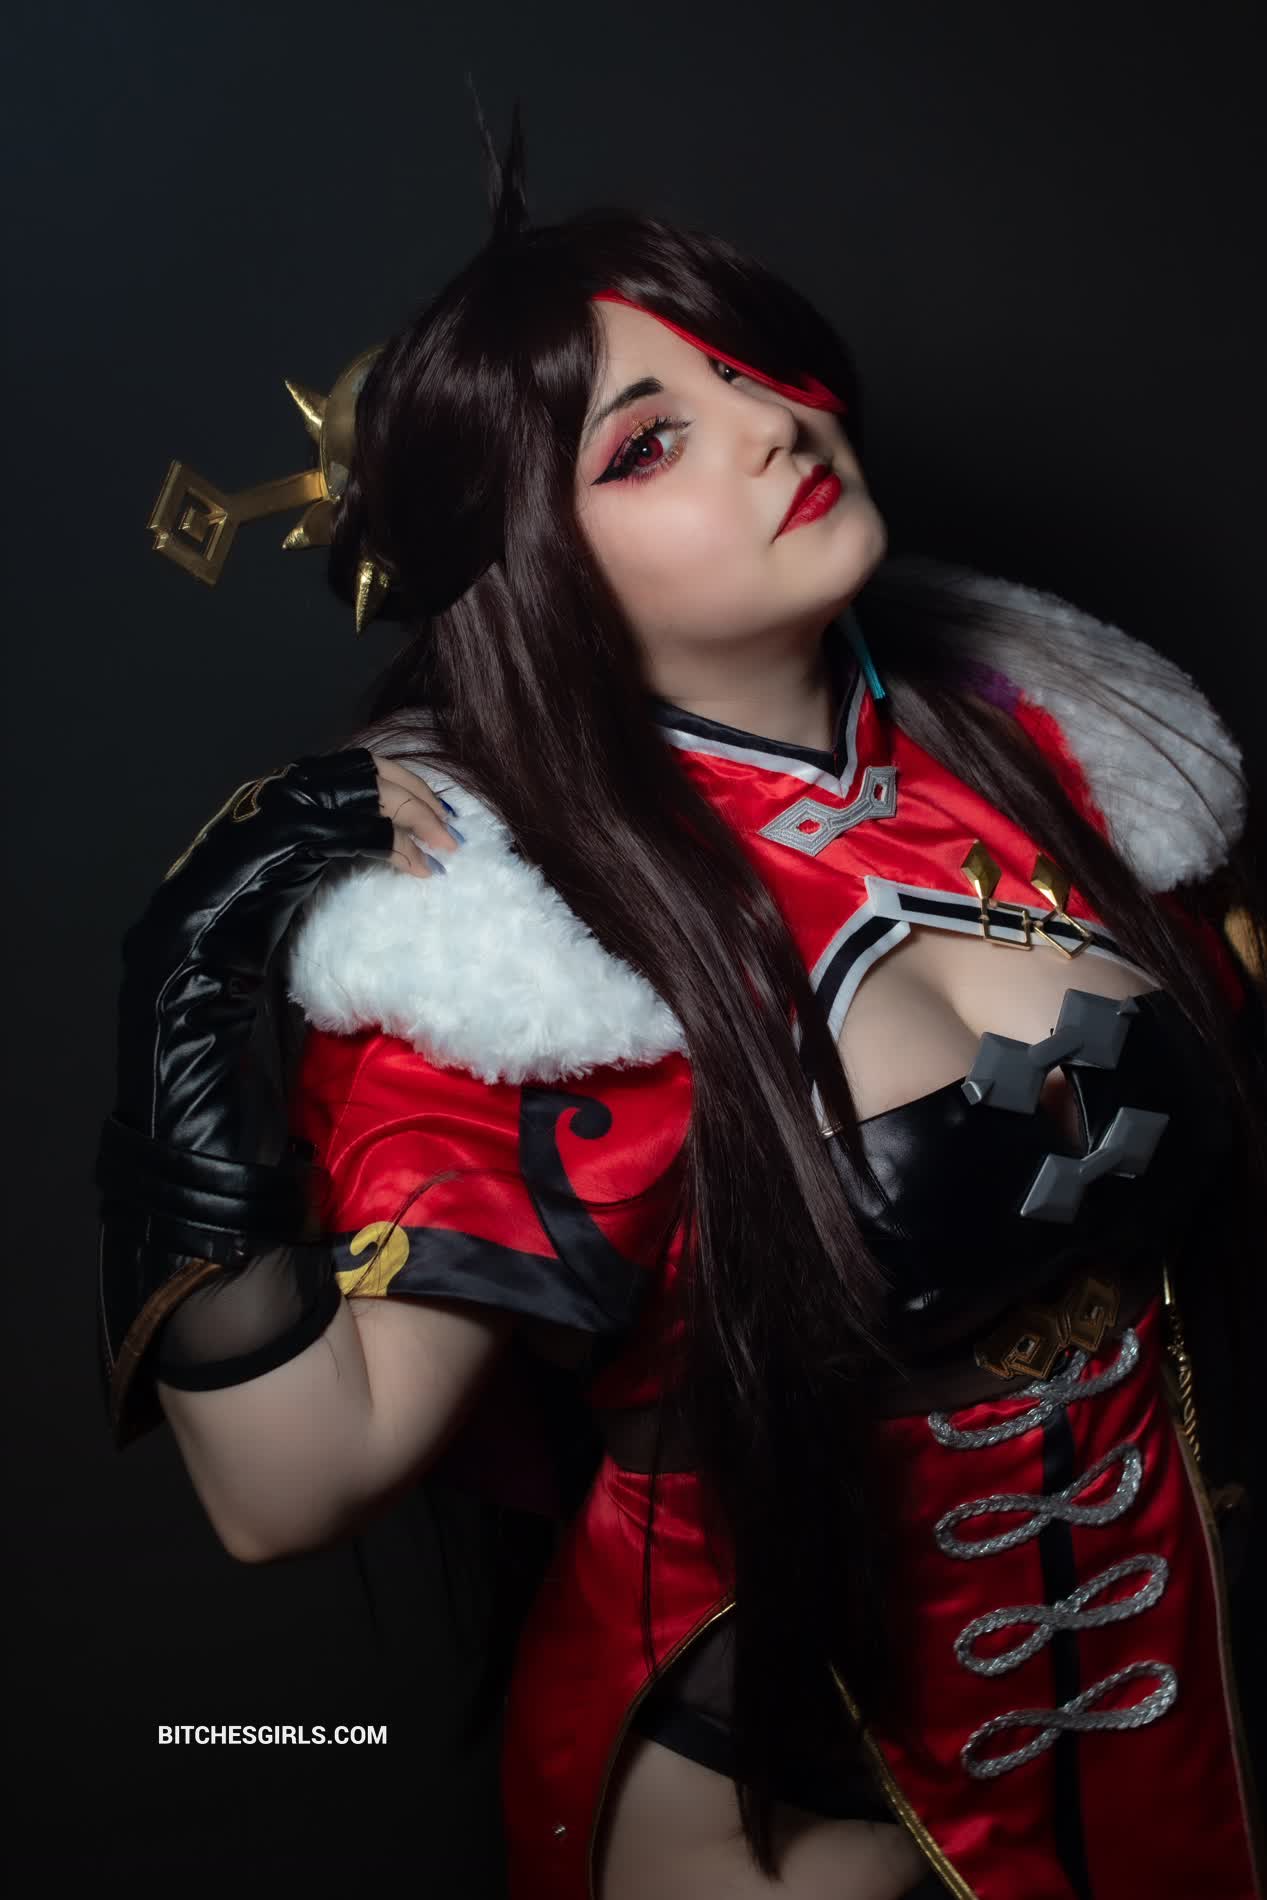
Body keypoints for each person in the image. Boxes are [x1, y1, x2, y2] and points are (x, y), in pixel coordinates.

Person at [95, 98, 1266, 1900]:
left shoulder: (1062, 749)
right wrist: (183, 982)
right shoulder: (525, 947)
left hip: (1175, 1699)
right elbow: (289, 1490)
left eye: (749, 368)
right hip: (775, 1798)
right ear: (536, 570)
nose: (773, 423)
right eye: (651, 442)